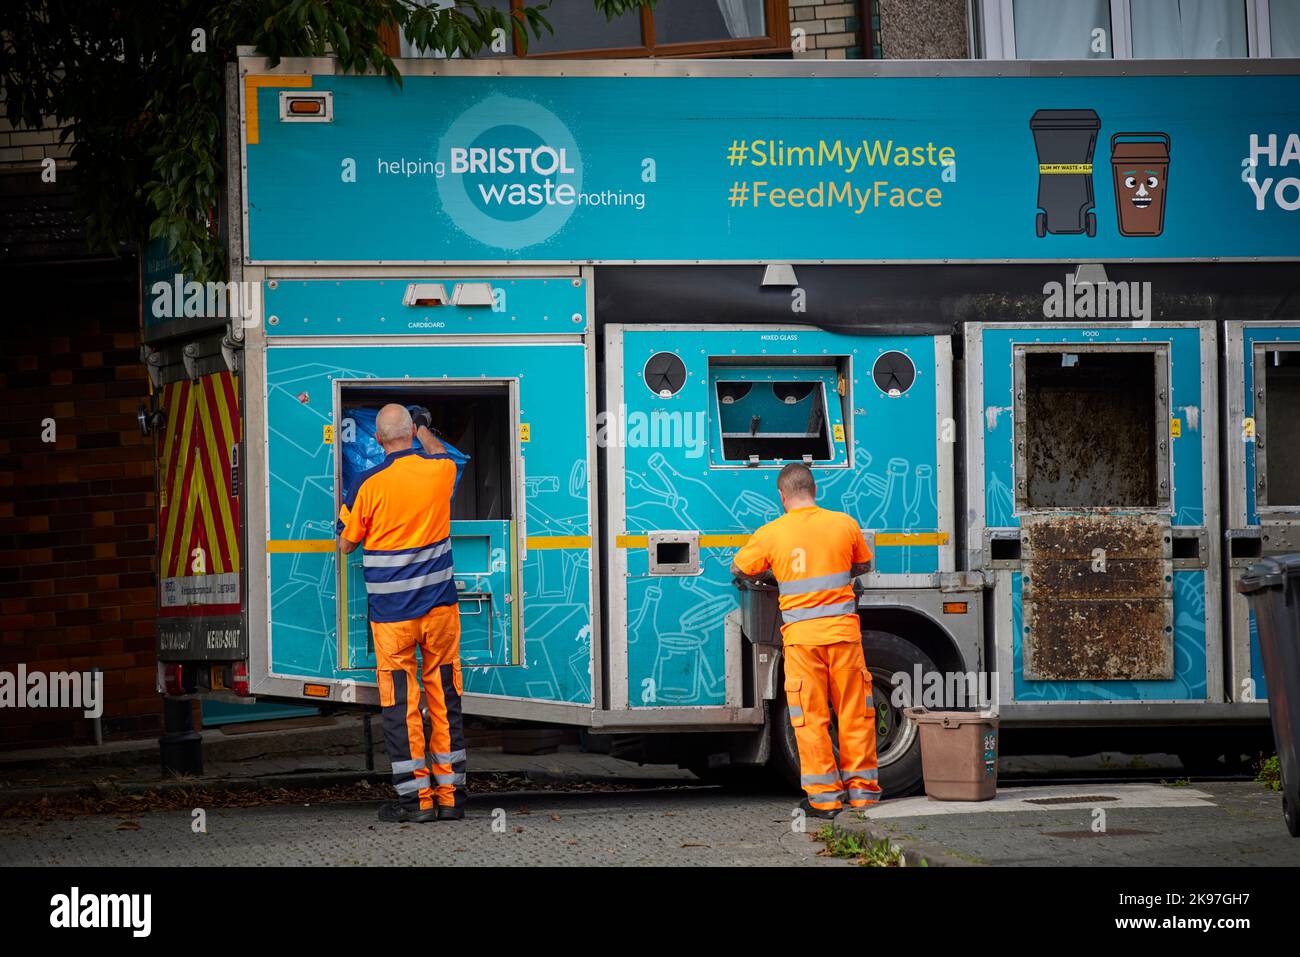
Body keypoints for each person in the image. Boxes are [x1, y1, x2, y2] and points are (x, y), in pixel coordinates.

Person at [337, 403, 465, 822]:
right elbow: (444, 453)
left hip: (392, 618)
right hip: (440, 611)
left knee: (402, 706)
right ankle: (451, 800)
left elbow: (346, 544)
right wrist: (426, 426)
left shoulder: (367, 483)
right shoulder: (440, 471)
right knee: (444, 698)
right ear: (411, 432)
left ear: (377, 440)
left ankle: (416, 803)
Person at [730, 462, 880, 818]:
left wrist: (774, 572)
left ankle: (825, 800)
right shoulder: (845, 524)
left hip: (802, 641)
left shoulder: (772, 532)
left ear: (782, 496)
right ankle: (863, 795)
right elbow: (863, 565)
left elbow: (740, 569)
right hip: (844, 636)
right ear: (815, 490)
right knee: (855, 712)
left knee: (810, 718)